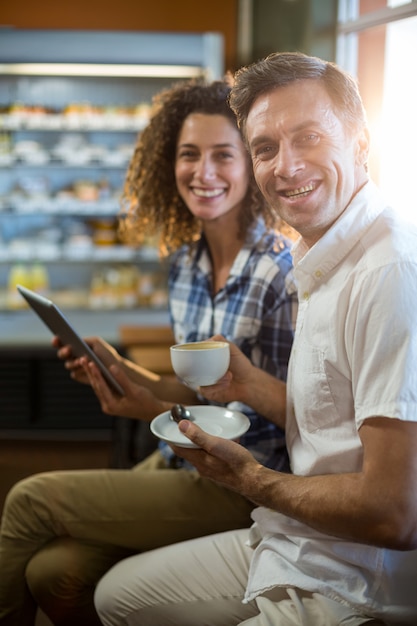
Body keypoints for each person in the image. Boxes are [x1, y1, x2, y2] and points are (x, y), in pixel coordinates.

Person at [94, 51, 417, 626]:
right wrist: (249, 385)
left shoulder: (388, 271)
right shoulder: (323, 255)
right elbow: (338, 418)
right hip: (296, 537)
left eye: (309, 138)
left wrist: (251, 480)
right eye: (265, 148)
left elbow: (394, 514)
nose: (284, 167)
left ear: (361, 141)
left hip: (354, 578)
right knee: (113, 597)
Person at [0, 78, 297, 626]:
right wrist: (127, 379)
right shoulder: (185, 262)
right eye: (189, 155)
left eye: (222, 156)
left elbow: (303, 414)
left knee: (27, 500)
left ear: (252, 166)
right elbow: (194, 396)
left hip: (239, 480)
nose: (202, 172)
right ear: (169, 162)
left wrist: (237, 388)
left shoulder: (279, 271)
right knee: (52, 574)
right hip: (179, 456)